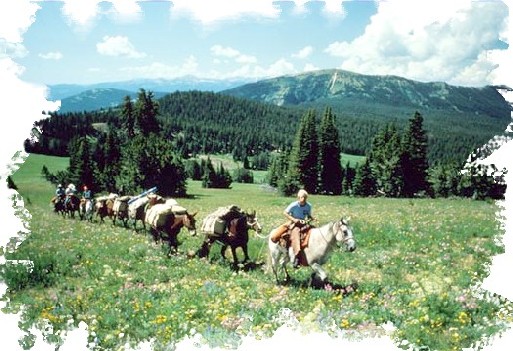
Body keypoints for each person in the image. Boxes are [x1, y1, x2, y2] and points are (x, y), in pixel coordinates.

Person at [271, 189, 315, 268]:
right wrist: (294, 219)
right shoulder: (294, 205)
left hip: (304, 223)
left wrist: (310, 219)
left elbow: (308, 215)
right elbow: (285, 212)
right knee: (296, 235)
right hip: (294, 223)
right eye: (302, 197)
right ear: (298, 197)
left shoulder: (308, 206)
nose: (303, 199)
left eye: (305, 197)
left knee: (314, 231)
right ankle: (297, 256)